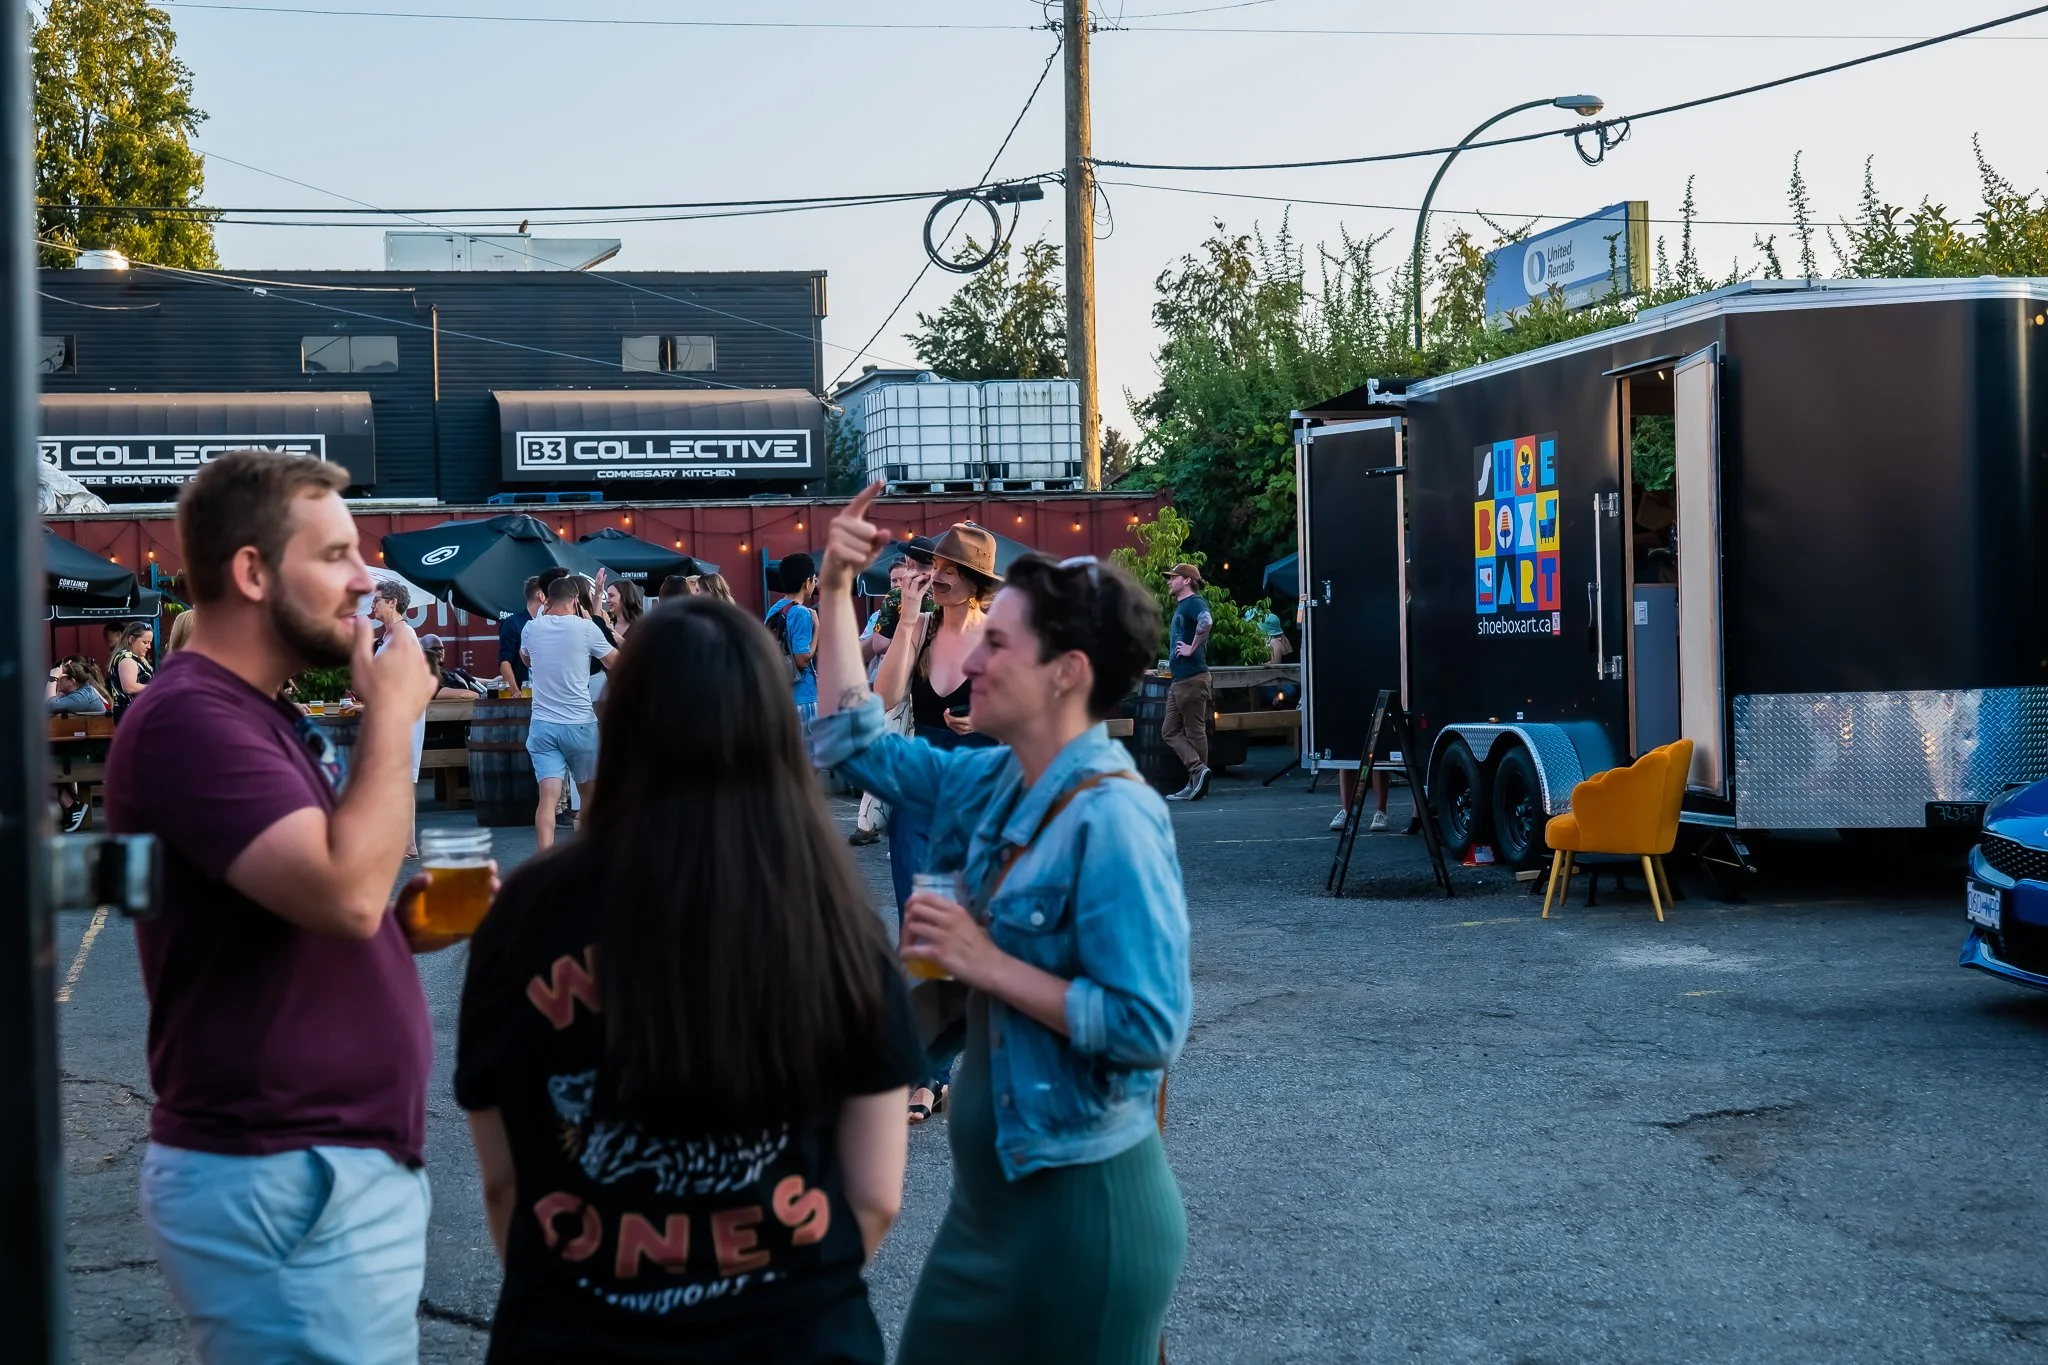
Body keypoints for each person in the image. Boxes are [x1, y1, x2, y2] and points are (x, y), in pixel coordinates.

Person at [455, 596, 923, 1363]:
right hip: (798, 1337)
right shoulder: (834, 917)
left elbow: (506, 1186)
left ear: (624, 725)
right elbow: (875, 1195)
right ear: (772, 729)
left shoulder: (526, 916)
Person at [812, 483, 1191, 1365]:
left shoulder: (1117, 820)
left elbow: (1148, 1026)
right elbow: (849, 743)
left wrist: (983, 962)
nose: (972, 658)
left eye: (998, 643)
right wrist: (834, 587)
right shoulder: (987, 779)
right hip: (986, 1214)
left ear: (1067, 672)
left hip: (1081, 1218)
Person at [103, 449, 448, 1364]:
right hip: (287, 1174)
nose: (365, 577)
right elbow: (341, 890)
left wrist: (391, 921)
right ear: (251, 571)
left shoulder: (245, 710)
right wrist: (392, 718)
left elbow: (326, 894)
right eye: (335, 554)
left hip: (310, 1169)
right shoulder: (190, 717)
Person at [871, 525, 996, 1122]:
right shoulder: (915, 630)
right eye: (933, 566)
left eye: (948, 568)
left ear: (973, 580)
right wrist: (908, 618)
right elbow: (882, 693)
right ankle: (928, 1075)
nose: (936, 575)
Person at [520, 574, 616, 851]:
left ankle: (544, 862)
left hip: (543, 725)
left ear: (547, 601)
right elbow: (614, 662)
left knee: (547, 800)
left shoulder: (532, 628)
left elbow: (525, 657)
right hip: (580, 724)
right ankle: (585, 857)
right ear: (575, 600)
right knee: (589, 797)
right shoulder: (586, 629)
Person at [849, 550, 928, 848]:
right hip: (890, 690)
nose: (899, 583)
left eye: (902, 576)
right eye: (894, 579)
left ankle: (874, 819)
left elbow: (881, 644)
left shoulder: (922, 607)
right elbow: (872, 646)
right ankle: (871, 820)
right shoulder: (890, 606)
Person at [370, 580, 429, 860]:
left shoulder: (404, 635)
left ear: (393, 602)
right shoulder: (393, 635)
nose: (373, 605)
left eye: (377, 600)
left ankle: (406, 845)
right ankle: (403, 843)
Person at [1160, 563, 1214, 802]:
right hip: (1179, 679)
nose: (1169, 581)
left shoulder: (1195, 603)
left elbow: (1207, 621)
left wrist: (1192, 647)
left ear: (1186, 580)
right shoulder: (1183, 605)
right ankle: (1198, 771)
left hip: (1192, 679)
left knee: (1194, 731)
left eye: (1173, 578)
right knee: (1169, 730)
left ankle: (1196, 782)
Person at [765, 553, 819, 722]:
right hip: (802, 696)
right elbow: (802, 660)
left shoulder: (774, 609)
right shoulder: (802, 613)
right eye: (814, 579)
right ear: (807, 582)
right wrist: (817, 627)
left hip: (779, 695)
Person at [499, 576, 546, 693]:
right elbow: (504, 661)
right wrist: (515, 691)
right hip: (526, 691)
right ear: (541, 596)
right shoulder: (512, 623)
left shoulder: (549, 623)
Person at [109, 619, 154, 714]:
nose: (149, 647)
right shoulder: (127, 658)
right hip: (129, 712)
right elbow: (129, 687)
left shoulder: (138, 657)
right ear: (131, 640)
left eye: (150, 642)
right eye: (145, 642)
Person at [420, 634, 485, 699]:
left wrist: (492, 683)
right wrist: (481, 696)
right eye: (434, 649)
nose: (439, 652)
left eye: (441, 649)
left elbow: (471, 680)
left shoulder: (446, 675)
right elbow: (462, 695)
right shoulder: (424, 680)